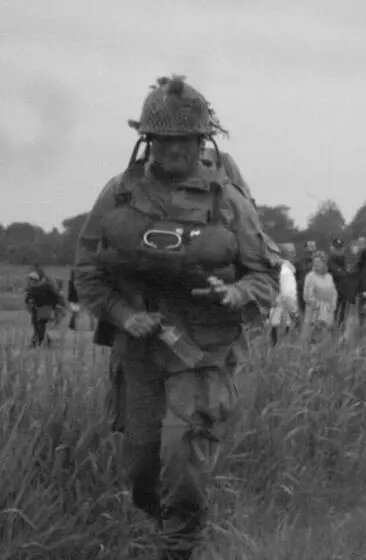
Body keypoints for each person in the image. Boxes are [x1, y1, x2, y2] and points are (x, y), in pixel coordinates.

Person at [74, 75, 277, 560]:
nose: (173, 153)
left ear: (201, 141)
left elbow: (265, 278)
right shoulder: (120, 194)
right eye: (163, 142)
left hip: (202, 351)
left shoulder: (227, 200)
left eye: (184, 142)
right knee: (142, 468)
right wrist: (124, 316)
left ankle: (180, 547)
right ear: (147, 141)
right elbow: (87, 270)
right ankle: (164, 528)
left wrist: (234, 292)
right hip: (140, 353)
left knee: (183, 459)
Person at [24, 267, 65, 347]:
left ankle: (36, 343)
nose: (29, 281)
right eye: (29, 279)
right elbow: (28, 297)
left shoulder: (47, 286)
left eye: (31, 279)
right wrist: (28, 302)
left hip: (46, 307)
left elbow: (56, 295)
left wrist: (60, 305)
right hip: (36, 307)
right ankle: (47, 341)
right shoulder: (31, 287)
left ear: (35, 279)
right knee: (35, 325)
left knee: (40, 324)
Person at [302, 250, 338, 339]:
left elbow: (334, 292)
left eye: (319, 262)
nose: (316, 264)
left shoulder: (329, 276)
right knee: (314, 338)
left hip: (328, 311)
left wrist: (332, 305)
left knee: (327, 338)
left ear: (324, 263)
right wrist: (316, 306)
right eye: (314, 262)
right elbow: (307, 295)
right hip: (315, 312)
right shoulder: (310, 276)